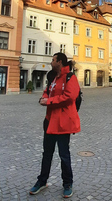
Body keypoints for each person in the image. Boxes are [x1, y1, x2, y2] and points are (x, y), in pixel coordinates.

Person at [29, 52, 81, 198]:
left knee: (64, 155)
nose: (51, 62)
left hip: (63, 123)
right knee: (47, 153)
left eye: (53, 60)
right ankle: (42, 181)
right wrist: (44, 98)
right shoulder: (54, 77)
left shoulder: (71, 77)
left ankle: (67, 184)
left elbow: (70, 96)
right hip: (49, 121)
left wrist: (50, 101)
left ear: (60, 62)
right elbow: (47, 91)